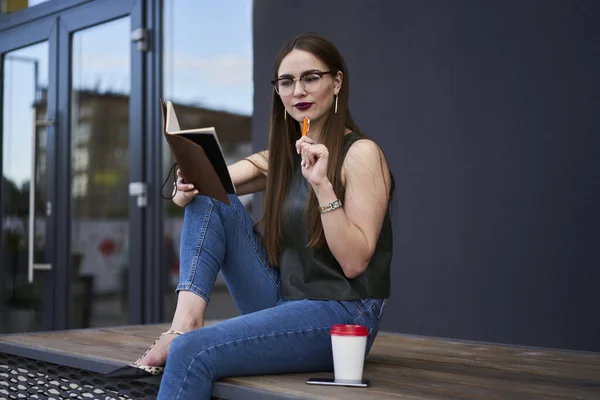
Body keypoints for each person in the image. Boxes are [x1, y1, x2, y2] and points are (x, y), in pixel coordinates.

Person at [107, 32, 394, 399]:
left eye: (311, 77)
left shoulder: (362, 154)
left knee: (192, 354)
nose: (298, 91)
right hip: (284, 300)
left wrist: (322, 186)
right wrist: (186, 186)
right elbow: (211, 182)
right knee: (211, 194)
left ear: (336, 82)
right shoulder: (281, 158)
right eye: (287, 82)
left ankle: (184, 341)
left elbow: (354, 263)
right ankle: (184, 324)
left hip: (341, 315)